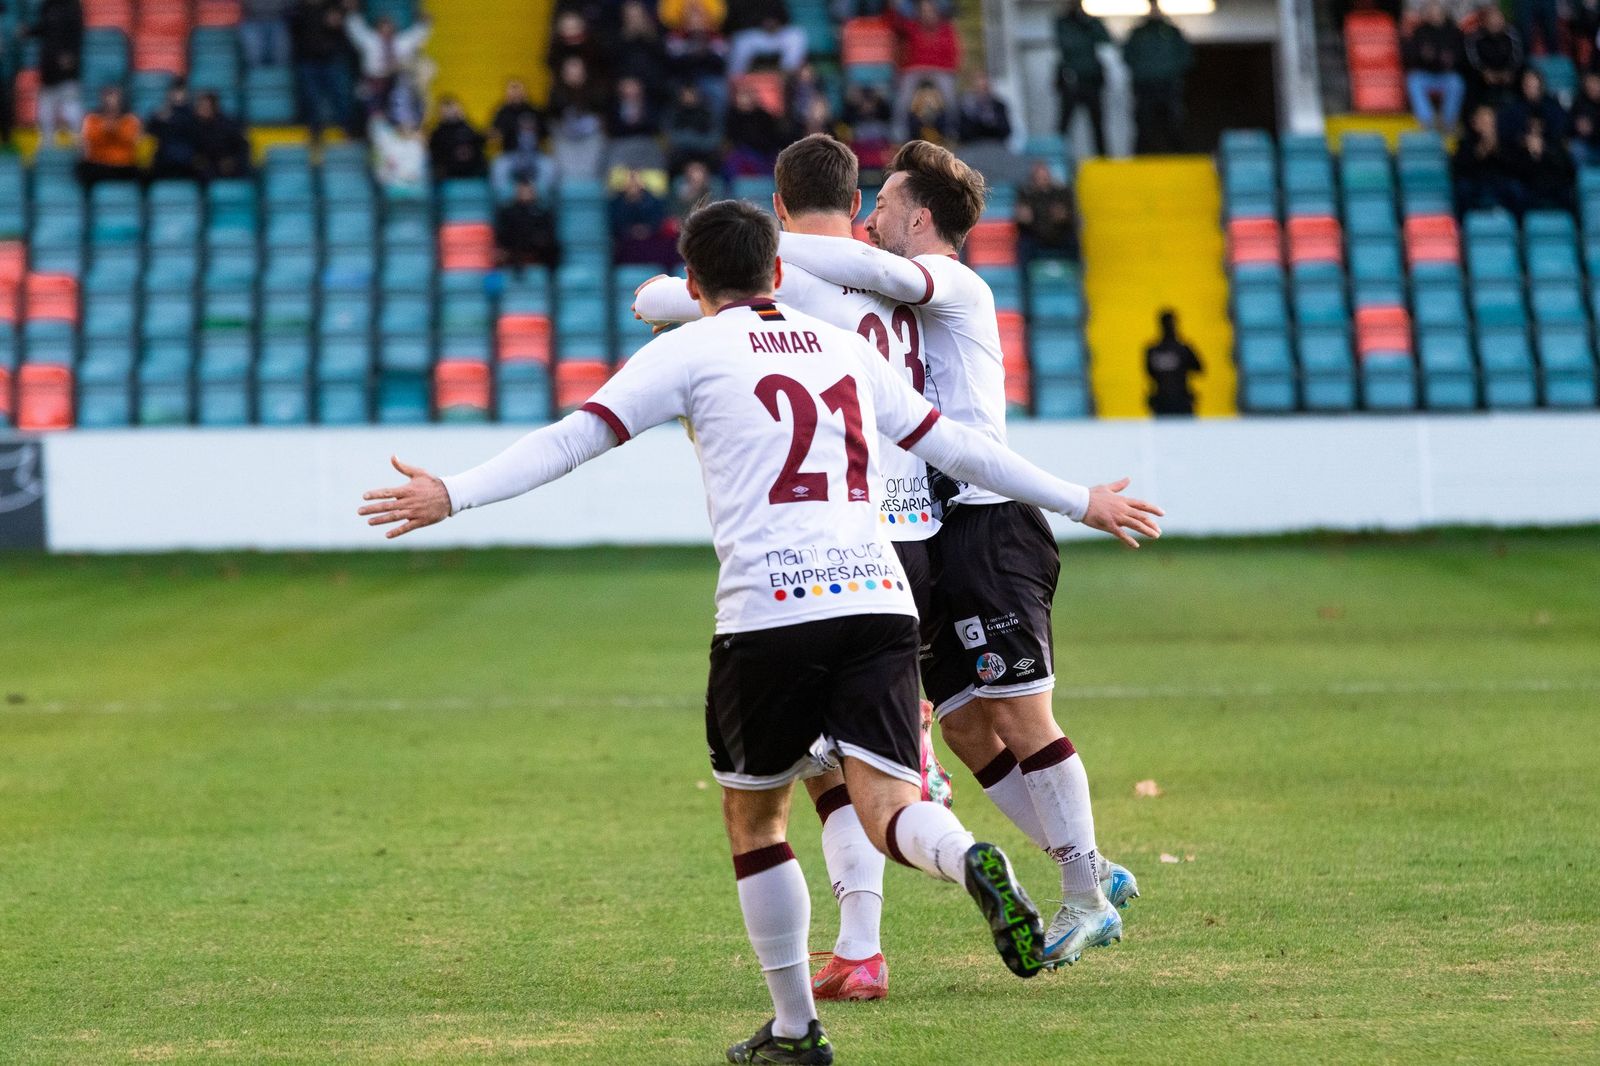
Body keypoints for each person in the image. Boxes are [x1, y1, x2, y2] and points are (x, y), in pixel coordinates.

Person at [361, 198, 1161, 1063]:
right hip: (881, 600)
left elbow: (573, 440)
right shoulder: (845, 348)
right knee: (890, 803)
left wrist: (454, 492)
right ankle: (967, 857)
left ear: (693, 282)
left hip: (769, 609)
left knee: (758, 821)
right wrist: (1082, 499)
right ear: (780, 271)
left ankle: (793, 1029)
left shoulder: (687, 349)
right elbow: (961, 448)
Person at [762, 141, 1150, 969]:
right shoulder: (893, 293)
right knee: (971, 727)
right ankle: (1083, 864)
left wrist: (740, 243)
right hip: (940, 529)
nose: (871, 223)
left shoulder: (952, 281)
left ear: (922, 218)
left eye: (886, 206)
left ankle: (1083, 892)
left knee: (1020, 715)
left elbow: (884, 276)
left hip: (993, 522)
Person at [636, 134, 959, 1000]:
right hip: (908, 535)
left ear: (777, 211)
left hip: (810, 545)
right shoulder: (889, 270)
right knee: (861, 766)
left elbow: (677, 300)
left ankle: (852, 952)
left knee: (803, 781)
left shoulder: (790, 284)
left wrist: (675, 291)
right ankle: (864, 940)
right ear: (858, 206)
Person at [1123, 0, 1191, 154]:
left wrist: (1170, 71)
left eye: (1156, 7)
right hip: (1144, 86)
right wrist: (1142, 72)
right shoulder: (1137, 33)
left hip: (1168, 84)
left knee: (1173, 122)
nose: (1154, 11)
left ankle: (1178, 157)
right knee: (1143, 123)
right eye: (1151, 7)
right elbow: (1127, 56)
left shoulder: (1172, 31)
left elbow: (1186, 56)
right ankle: (1140, 159)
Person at [343, 4, 431, 123]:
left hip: (396, 81)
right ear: (377, 28)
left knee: (397, 108)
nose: (386, 30)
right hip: (374, 79)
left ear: (393, 27)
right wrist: (352, 13)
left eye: (388, 27)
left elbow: (416, 36)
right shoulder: (370, 40)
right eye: (382, 27)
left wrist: (425, 23)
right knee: (373, 112)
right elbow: (356, 30)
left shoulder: (401, 41)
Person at [891, 0, 960, 139]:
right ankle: (899, 129)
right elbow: (895, 24)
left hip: (940, 69)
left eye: (930, 11)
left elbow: (954, 52)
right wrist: (895, 6)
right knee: (903, 96)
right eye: (924, 11)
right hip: (916, 68)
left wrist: (951, 69)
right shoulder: (911, 26)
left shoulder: (946, 28)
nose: (927, 14)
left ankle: (952, 128)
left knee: (950, 95)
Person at [1053, 0, 1110, 155]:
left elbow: (1105, 38)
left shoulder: (1090, 22)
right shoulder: (1063, 23)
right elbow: (1069, 45)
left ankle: (1102, 158)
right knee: (1064, 124)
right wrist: (1083, 30)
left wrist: (1088, 22)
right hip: (1071, 80)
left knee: (1097, 123)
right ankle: (1058, 158)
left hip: (1091, 80)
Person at [291, 0, 355, 138]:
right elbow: (292, 27)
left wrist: (338, 18)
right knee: (311, 97)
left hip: (331, 59)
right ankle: (315, 130)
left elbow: (349, 11)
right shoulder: (299, 9)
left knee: (340, 95)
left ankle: (348, 128)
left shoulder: (333, 6)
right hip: (307, 60)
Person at [1403, 1, 1466, 133]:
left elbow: (1461, 57)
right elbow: (1410, 57)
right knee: (1413, 80)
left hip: (1446, 75)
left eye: (1436, 10)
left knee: (1457, 82)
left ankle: (1447, 123)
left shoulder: (1454, 31)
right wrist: (1423, 57)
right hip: (1426, 74)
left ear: (1443, 11)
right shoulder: (1420, 31)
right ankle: (1428, 121)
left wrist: (1451, 61)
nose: (1433, 13)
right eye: (1430, 10)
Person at [27, 0, 84, 144]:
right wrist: (29, 31)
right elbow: (45, 28)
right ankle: (46, 151)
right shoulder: (47, 5)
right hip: (48, 69)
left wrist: (71, 55)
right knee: (45, 113)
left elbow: (77, 33)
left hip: (67, 72)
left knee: (71, 109)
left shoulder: (73, 6)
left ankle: (79, 147)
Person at [546, 56, 609, 182]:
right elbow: (552, 118)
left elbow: (601, 115)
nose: (574, 76)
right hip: (565, 139)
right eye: (570, 73)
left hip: (590, 139)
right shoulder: (557, 93)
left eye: (577, 72)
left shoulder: (595, 92)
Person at [1452, 103, 1518, 213]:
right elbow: (1460, 169)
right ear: (1475, 123)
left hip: (1498, 182)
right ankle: (1464, 226)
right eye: (1483, 121)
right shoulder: (1465, 142)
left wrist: (1497, 149)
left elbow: (1514, 167)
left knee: (1515, 189)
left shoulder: (1504, 141)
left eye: (1490, 121)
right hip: (1475, 183)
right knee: (1463, 189)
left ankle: (1518, 227)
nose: (1487, 125)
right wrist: (1480, 151)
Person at [1015, 161, 1080, 262]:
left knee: (1074, 241)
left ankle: (1079, 273)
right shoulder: (1026, 194)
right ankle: (1025, 278)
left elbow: (1071, 215)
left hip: (1058, 233)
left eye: (1044, 177)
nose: (1042, 180)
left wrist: (1064, 216)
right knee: (1023, 245)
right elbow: (1021, 217)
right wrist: (1023, 218)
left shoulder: (1061, 192)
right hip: (1035, 234)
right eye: (1038, 177)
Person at [724, 80, 792, 176]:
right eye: (743, 95)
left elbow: (774, 136)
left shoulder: (764, 115)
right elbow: (731, 139)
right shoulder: (732, 116)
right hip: (743, 153)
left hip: (766, 152)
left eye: (749, 95)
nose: (746, 99)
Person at [77, 86, 141, 185]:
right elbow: (88, 142)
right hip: (99, 164)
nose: (111, 103)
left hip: (123, 166)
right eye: (108, 98)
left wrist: (116, 130)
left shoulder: (130, 120)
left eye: (115, 98)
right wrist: (104, 130)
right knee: (82, 169)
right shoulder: (92, 119)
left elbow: (132, 141)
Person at [725, 0, 809, 75]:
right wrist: (760, 24)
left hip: (774, 34)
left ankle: (787, 76)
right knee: (741, 42)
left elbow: (785, 17)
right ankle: (735, 79)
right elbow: (733, 22)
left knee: (796, 35)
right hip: (751, 35)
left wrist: (776, 24)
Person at [611, 169, 675, 266]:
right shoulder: (617, 203)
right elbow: (616, 224)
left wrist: (645, 230)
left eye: (635, 181)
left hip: (650, 240)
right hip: (626, 242)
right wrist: (632, 230)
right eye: (630, 182)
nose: (633, 185)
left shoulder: (653, 201)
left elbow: (657, 220)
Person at [494, 179, 561, 271]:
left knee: (553, 248)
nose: (525, 194)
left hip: (536, 245)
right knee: (500, 253)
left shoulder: (542, 211)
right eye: (522, 191)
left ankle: (552, 279)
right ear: (517, 192)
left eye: (528, 191)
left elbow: (548, 231)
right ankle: (515, 277)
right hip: (514, 245)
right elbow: (502, 233)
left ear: (534, 192)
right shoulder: (507, 211)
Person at [1145, 309, 1202, 416]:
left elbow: (1149, 373)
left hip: (1162, 400)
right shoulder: (1184, 349)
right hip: (1180, 400)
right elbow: (1199, 368)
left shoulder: (1153, 350)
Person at [1465, 5, 1521, 111]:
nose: (1495, 22)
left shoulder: (1512, 33)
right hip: (1483, 74)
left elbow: (1518, 56)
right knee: (1470, 81)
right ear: (1485, 21)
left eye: (1498, 18)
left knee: (1523, 75)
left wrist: (1509, 71)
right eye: (1491, 19)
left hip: (1507, 73)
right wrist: (1484, 71)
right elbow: (1472, 58)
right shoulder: (1475, 36)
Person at [1514, 119, 1575, 213]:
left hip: (1554, 189)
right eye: (1532, 128)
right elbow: (1521, 175)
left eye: (1538, 127)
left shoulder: (1554, 148)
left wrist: (1544, 154)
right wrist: (1533, 156)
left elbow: (1566, 171)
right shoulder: (1521, 152)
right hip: (1532, 190)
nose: (1535, 132)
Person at [606, 75, 666, 171]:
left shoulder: (650, 106)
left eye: (633, 85)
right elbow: (612, 127)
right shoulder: (613, 106)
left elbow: (654, 126)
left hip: (646, 144)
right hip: (622, 143)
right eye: (627, 85)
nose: (630, 90)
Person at [146, 80, 201, 181]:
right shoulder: (161, 113)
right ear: (169, 94)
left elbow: (194, 133)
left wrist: (171, 119)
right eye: (175, 92)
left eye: (181, 92)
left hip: (187, 159)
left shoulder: (193, 114)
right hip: (165, 158)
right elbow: (150, 132)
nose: (178, 95)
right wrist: (158, 119)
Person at [613, 0, 669, 100]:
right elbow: (616, 63)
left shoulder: (656, 35)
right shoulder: (618, 39)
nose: (634, 20)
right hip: (627, 87)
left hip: (654, 86)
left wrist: (649, 36)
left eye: (637, 16)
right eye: (630, 16)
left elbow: (664, 59)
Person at [665, 83, 724, 173]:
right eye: (686, 94)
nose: (689, 97)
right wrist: (695, 139)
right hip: (680, 155)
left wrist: (689, 138)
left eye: (692, 94)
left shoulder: (709, 113)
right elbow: (670, 138)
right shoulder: (673, 113)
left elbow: (715, 139)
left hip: (706, 155)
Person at [1498, 67, 1566, 143]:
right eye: (1527, 85)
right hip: (1520, 147)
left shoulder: (1552, 107)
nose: (1530, 88)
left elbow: (1559, 130)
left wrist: (1542, 143)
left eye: (1533, 85)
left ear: (1540, 85)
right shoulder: (1514, 108)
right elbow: (1507, 131)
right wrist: (1524, 139)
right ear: (1523, 86)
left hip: (1548, 147)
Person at [428, 95, 488, 180]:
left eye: (452, 108)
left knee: (485, 166)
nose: (449, 112)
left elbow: (481, 141)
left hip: (471, 166)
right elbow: (435, 153)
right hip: (449, 168)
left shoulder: (467, 127)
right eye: (446, 109)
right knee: (436, 171)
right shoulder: (438, 132)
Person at [194, 92, 252, 179]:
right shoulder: (192, 125)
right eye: (200, 106)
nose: (202, 109)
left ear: (214, 107)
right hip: (204, 169)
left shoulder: (228, 125)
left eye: (206, 106)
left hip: (229, 167)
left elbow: (243, 148)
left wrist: (232, 161)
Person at [371, 113, 428, 195]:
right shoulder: (390, 145)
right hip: (395, 186)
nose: (407, 128)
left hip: (416, 186)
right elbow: (382, 171)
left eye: (409, 126)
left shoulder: (417, 146)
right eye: (404, 126)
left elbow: (421, 168)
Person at [956, 72, 1012, 147]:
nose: (982, 92)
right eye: (979, 88)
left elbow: (1006, 130)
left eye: (985, 88)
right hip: (973, 149)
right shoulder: (965, 108)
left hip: (995, 147)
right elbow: (963, 132)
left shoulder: (998, 106)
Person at [240, 0, 295, 67]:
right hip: (251, 20)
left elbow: (291, 4)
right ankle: (256, 75)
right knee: (254, 57)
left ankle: (278, 75)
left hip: (278, 19)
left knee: (281, 57)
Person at [1568, 71, 1600, 165]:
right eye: (1590, 85)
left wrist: (1592, 129)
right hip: (1585, 143)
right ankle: (1583, 177)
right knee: (1576, 147)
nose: (1593, 88)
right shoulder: (1579, 102)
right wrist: (1577, 127)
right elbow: (1569, 125)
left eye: (1596, 84)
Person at [904, 80, 949, 144]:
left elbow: (944, 134)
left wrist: (936, 110)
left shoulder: (944, 117)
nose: (927, 100)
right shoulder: (912, 116)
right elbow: (912, 134)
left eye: (931, 96)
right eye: (923, 97)